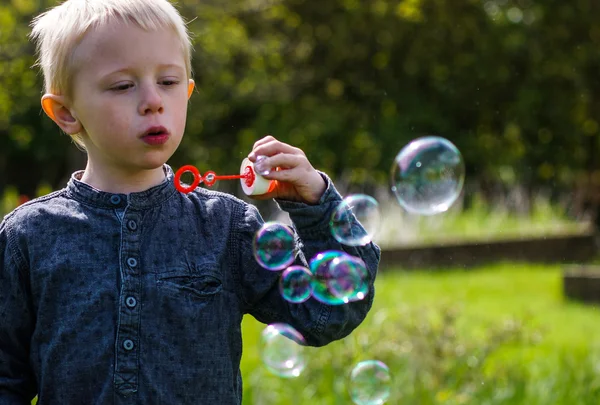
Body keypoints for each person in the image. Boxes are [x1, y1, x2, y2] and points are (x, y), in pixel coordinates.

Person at [0, 0, 381, 403]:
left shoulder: (226, 226)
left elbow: (325, 314)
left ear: (188, 92)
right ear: (65, 112)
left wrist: (316, 204)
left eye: (168, 82)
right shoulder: (30, 237)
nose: (153, 100)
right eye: (123, 85)